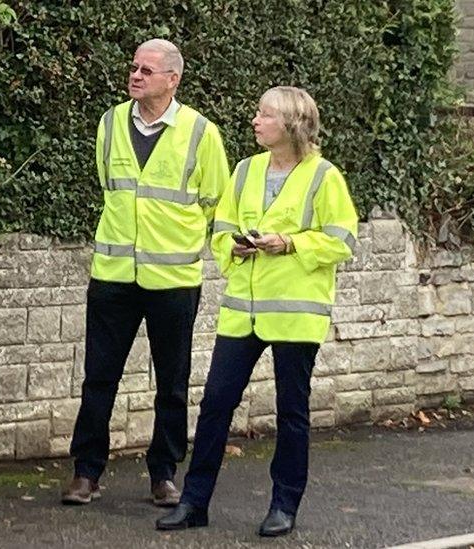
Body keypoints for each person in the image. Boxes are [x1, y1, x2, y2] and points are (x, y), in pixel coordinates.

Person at [156, 86, 358, 536]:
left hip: (294, 314)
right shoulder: (245, 171)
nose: (255, 121)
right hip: (241, 312)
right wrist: (237, 248)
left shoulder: (324, 177)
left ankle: (283, 506)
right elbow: (221, 229)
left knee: (291, 412)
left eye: (264, 115)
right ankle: (194, 502)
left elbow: (343, 240)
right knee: (215, 406)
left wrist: (290, 243)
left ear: (290, 125)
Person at [62, 39, 230, 508]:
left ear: (172, 80)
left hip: (173, 280)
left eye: (147, 70)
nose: (135, 75)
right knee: (99, 376)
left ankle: (163, 474)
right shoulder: (111, 122)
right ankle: (86, 472)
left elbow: (215, 200)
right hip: (114, 274)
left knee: (172, 382)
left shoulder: (201, 133)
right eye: (133, 67)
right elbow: (107, 183)